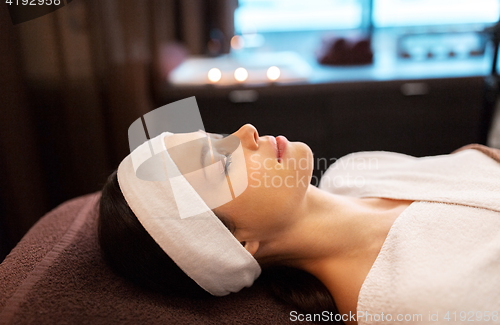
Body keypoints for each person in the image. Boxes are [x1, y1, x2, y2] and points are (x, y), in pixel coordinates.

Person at [99, 124, 500, 325]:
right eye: (221, 161)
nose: (245, 132)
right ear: (237, 244)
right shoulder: (410, 302)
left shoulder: (353, 171)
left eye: (218, 136)